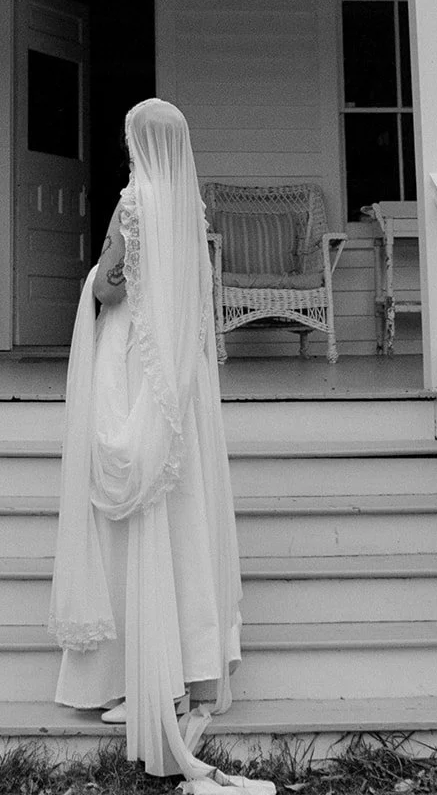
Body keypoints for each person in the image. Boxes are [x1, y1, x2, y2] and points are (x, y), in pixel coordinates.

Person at [49, 99, 274, 792]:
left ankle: (135, 676)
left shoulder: (132, 203)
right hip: (180, 376)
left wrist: (92, 281)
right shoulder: (187, 206)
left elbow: (113, 290)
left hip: (131, 363)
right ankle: (187, 667)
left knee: (127, 510)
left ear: (133, 141)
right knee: (181, 509)